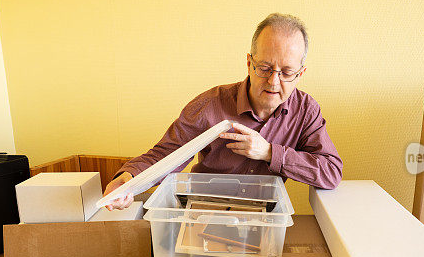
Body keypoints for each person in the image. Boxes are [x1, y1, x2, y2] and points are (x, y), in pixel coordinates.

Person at [104, 13, 343, 210]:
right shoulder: (210, 105)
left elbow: (331, 172)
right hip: (203, 213)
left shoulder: (305, 111)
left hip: (262, 221)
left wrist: (270, 153)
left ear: (300, 74)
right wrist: (128, 180)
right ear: (249, 63)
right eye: (264, 68)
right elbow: (166, 155)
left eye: (287, 72)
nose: (273, 81)